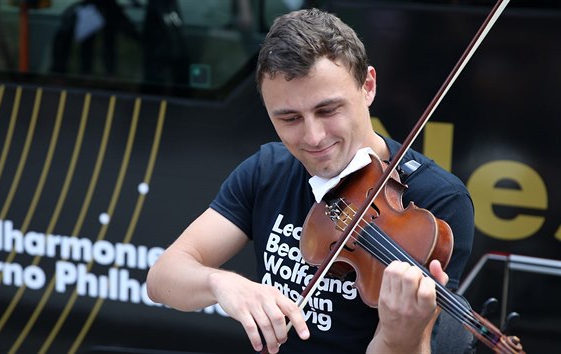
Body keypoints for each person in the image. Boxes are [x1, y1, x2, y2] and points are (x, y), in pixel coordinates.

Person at [147, 8, 474, 354]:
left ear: (368, 86)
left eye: (328, 110)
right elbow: (163, 278)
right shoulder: (267, 170)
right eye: (289, 118)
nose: (314, 137)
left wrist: (398, 333)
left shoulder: (435, 201)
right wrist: (221, 283)